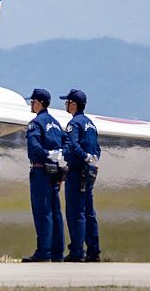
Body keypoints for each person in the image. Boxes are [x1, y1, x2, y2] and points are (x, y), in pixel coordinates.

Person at [22, 87, 66, 262]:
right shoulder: (56, 123)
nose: (31, 104)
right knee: (56, 211)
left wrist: (47, 153)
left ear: (39, 103)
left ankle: (43, 252)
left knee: (43, 211)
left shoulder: (36, 123)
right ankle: (57, 252)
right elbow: (67, 142)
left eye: (32, 101)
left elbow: (33, 147)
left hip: (41, 170)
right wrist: (60, 153)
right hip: (55, 170)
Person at [61, 89, 102, 262]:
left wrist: (83, 157)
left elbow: (73, 144)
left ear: (74, 105)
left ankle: (77, 252)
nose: (66, 105)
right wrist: (92, 160)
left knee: (76, 212)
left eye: (68, 102)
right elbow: (97, 148)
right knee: (89, 212)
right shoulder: (91, 124)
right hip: (90, 172)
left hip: (77, 172)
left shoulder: (74, 124)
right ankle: (94, 251)